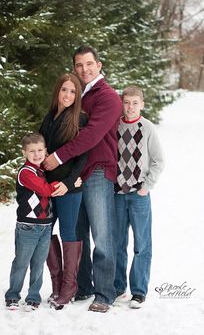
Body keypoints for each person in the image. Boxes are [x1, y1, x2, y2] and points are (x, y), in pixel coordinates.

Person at [43, 45, 122, 313]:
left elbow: (91, 136)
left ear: (99, 65)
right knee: (77, 233)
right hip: (74, 175)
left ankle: (104, 293)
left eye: (89, 64)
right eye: (79, 65)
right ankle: (82, 286)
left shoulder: (108, 97)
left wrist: (59, 157)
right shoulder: (76, 93)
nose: (84, 69)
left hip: (98, 170)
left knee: (102, 233)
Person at [39, 72, 88, 310]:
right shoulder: (49, 118)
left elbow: (82, 156)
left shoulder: (80, 119)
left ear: (77, 95)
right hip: (47, 188)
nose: (67, 95)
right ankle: (56, 283)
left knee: (68, 232)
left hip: (68, 188)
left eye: (72, 91)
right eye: (64, 89)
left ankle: (70, 286)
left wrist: (69, 182)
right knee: (45, 230)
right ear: (57, 91)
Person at [114, 86, 165, 308]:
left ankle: (139, 292)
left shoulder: (147, 128)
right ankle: (118, 288)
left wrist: (146, 187)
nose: (130, 107)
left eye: (135, 103)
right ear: (121, 103)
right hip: (116, 194)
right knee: (117, 243)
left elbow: (159, 160)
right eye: (127, 102)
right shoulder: (115, 126)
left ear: (142, 104)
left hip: (139, 195)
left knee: (142, 244)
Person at [5, 132, 58, 312]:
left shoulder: (42, 170)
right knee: (21, 261)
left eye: (40, 150)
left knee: (38, 263)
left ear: (45, 150)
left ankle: (33, 296)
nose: (37, 154)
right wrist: (67, 184)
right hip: (28, 226)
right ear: (24, 153)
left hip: (45, 226)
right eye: (32, 151)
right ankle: (13, 295)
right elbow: (45, 190)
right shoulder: (26, 172)